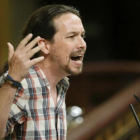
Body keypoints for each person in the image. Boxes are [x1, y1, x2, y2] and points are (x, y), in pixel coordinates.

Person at [0, 4, 86, 140]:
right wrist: (12, 81)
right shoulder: (21, 83)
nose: (82, 44)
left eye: (82, 35)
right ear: (44, 45)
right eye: (71, 36)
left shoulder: (61, 84)